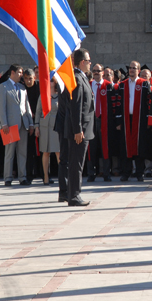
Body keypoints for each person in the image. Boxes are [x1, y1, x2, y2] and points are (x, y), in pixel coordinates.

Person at [60, 48, 95, 206]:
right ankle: (74, 195)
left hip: (82, 128)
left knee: (77, 164)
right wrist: (77, 130)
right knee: (76, 164)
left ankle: (73, 193)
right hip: (79, 130)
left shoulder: (81, 77)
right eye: (88, 61)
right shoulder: (77, 79)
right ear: (82, 62)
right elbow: (76, 107)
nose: (90, 64)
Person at [0, 65, 34, 186]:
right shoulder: (3, 87)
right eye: (19, 72)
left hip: (23, 125)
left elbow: (27, 107)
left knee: (22, 152)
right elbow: (1, 107)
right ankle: (7, 178)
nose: (21, 74)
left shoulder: (23, 87)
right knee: (10, 153)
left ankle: (22, 177)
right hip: (10, 126)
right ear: (12, 72)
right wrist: (4, 124)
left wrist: (31, 123)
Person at [119, 61, 152, 181]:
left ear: (139, 70)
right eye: (130, 68)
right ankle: (126, 172)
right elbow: (119, 104)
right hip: (126, 119)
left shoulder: (144, 84)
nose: (132, 70)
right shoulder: (122, 85)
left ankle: (139, 173)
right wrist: (118, 121)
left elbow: (149, 102)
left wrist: (149, 120)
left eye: (134, 68)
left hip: (140, 119)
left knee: (140, 146)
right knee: (126, 146)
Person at [35, 82, 61, 186]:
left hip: (56, 127)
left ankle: (62, 177)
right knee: (46, 152)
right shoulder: (43, 95)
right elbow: (38, 111)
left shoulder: (60, 95)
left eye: (51, 80)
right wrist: (37, 126)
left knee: (58, 153)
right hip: (44, 127)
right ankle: (46, 176)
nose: (49, 82)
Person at [22, 68, 40, 183]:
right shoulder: (22, 88)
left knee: (42, 150)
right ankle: (29, 175)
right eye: (26, 79)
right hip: (26, 122)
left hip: (38, 121)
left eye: (30, 79)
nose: (28, 81)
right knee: (28, 150)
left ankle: (43, 175)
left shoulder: (39, 87)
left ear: (34, 78)